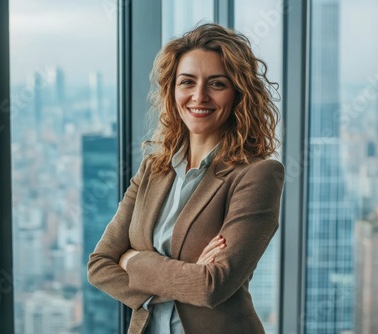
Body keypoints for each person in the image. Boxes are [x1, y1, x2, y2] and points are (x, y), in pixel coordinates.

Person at [87, 23, 285, 334]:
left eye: (217, 84)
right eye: (187, 82)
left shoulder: (257, 176)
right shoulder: (154, 169)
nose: (199, 96)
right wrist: (187, 277)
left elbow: (211, 287)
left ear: (238, 94)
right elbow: (99, 266)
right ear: (172, 90)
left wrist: (132, 260)